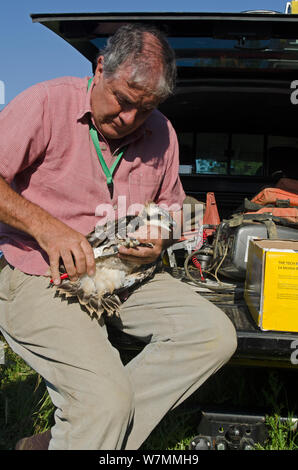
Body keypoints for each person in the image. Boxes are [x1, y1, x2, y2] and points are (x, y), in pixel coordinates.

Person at [0, 24, 237, 450]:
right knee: (105, 401)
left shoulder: (163, 132)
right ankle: (93, 424)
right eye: (123, 101)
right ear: (100, 67)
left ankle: (77, 436)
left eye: (144, 110)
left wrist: (161, 238)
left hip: (126, 276)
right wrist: (47, 227)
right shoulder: (45, 102)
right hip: (40, 271)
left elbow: (174, 209)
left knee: (213, 336)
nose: (129, 119)